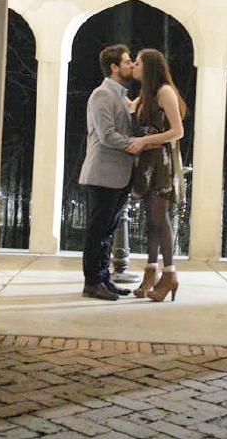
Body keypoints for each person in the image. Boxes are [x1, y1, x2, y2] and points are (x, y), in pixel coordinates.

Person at [78, 44, 138, 300]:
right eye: (127, 61)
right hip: (102, 174)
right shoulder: (102, 94)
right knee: (97, 232)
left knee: (107, 231)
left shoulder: (120, 96)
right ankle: (92, 282)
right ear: (114, 67)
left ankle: (104, 278)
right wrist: (136, 144)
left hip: (118, 175)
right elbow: (107, 135)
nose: (131, 64)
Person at [126, 49, 187, 302]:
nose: (134, 66)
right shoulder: (146, 95)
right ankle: (150, 272)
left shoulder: (165, 92)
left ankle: (170, 274)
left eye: (138, 63)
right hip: (146, 162)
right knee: (151, 220)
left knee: (160, 218)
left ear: (150, 67)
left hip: (161, 163)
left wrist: (143, 141)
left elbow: (177, 131)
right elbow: (133, 111)